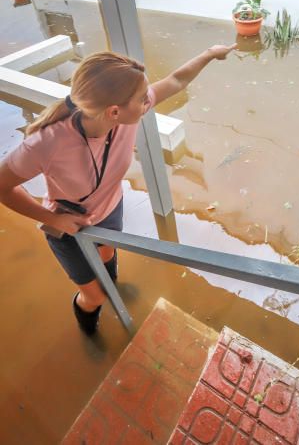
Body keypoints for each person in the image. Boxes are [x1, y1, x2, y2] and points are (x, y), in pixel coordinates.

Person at [0, 44, 236, 335]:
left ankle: (113, 288)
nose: (148, 102)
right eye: (141, 99)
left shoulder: (122, 114)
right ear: (114, 111)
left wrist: (209, 54)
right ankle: (89, 330)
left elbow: (176, 80)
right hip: (68, 227)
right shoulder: (47, 143)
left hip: (110, 209)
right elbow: (2, 187)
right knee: (94, 296)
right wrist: (53, 219)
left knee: (109, 258)